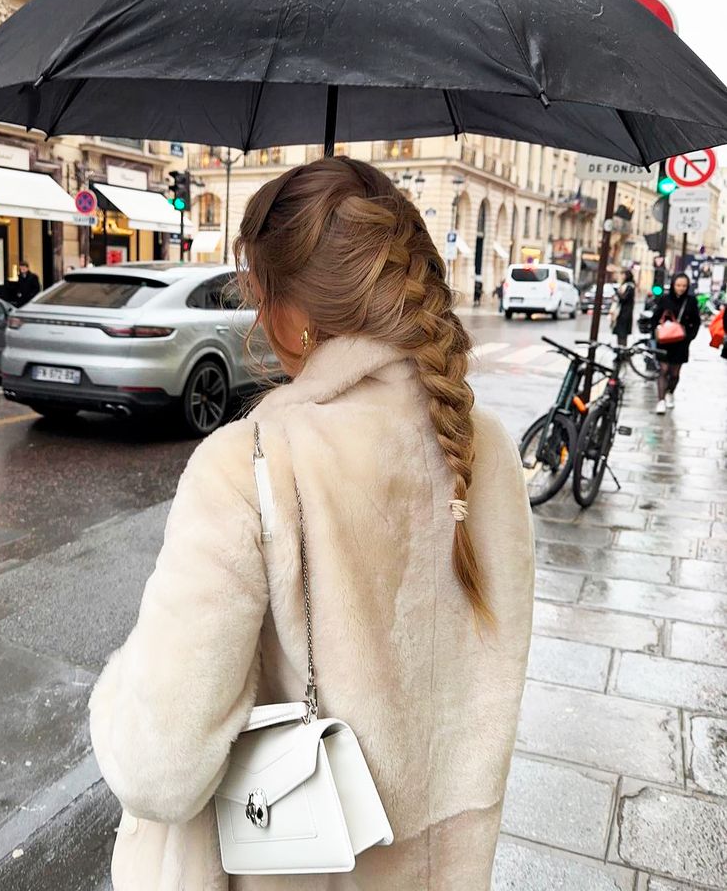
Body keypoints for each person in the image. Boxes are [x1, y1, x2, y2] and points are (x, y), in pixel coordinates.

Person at [88, 157, 534, 891]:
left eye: (259, 297)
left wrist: (115, 691)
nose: (259, 319)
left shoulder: (249, 464)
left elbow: (159, 769)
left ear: (297, 321)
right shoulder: (486, 453)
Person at [651, 271, 701, 415]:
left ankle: (670, 392)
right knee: (663, 370)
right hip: (664, 341)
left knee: (674, 374)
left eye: (684, 286)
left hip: (681, 342)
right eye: (678, 285)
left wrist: (690, 337)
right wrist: (656, 333)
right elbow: (655, 318)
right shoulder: (665, 299)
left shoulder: (691, 301)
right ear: (673, 285)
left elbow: (696, 321)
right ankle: (660, 400)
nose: (681, 288)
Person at [611, 269, 635, 347]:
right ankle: (620, 351)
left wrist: (617, 292)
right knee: (620, 334)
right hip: (622, 313)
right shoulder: (626, 285)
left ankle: (622, 353)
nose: (622, 276)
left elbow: (624, 298)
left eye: (623, 274)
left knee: (622, 334)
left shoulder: (629, 287)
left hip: (624, 314)